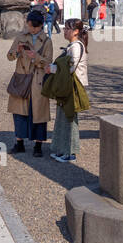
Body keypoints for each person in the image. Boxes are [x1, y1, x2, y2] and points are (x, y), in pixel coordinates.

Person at [7, 9, 54, 157]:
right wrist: (18, 51)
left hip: (38, 81)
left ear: (40, 26)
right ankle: (19, 143)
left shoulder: (47, 41)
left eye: (34, 27)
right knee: (19, 113)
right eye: (29, 26)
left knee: (38, 113)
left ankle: (38, 145)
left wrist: (36, 57)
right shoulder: (20, 37)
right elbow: (9, 57)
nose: (31, 29)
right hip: (21, 79)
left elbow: (48, 62)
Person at [47, 19, 89, 162]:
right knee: (63, 118)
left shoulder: (76, 47)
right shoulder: (72, 46)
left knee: (69, 119)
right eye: (64, 28)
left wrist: (51, 69)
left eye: (67, 29)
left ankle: (70, 152)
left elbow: (70, 68)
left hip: (72, 86)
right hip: (68, 85)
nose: (65, 31)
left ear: (76, 31)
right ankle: (63, 149)